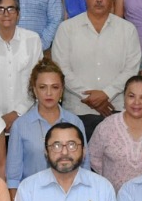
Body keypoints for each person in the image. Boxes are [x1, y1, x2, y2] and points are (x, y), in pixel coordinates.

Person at [51, 0, 142, 132]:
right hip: (77, 111)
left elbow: (131, 69)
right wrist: (89, 98)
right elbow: (61, 69)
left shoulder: (127, 30)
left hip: (116, 109)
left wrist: (107, 93)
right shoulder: (66, 29)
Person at [7, 59, 87, 192]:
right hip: (31, 198)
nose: (49, 93)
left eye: (54, 87)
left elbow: (85, 168)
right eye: (43, 87)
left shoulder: (75, 122)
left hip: (71, 196)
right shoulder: (20, 126)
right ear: (35, 90)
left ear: (61, 90)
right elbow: (13, 178)